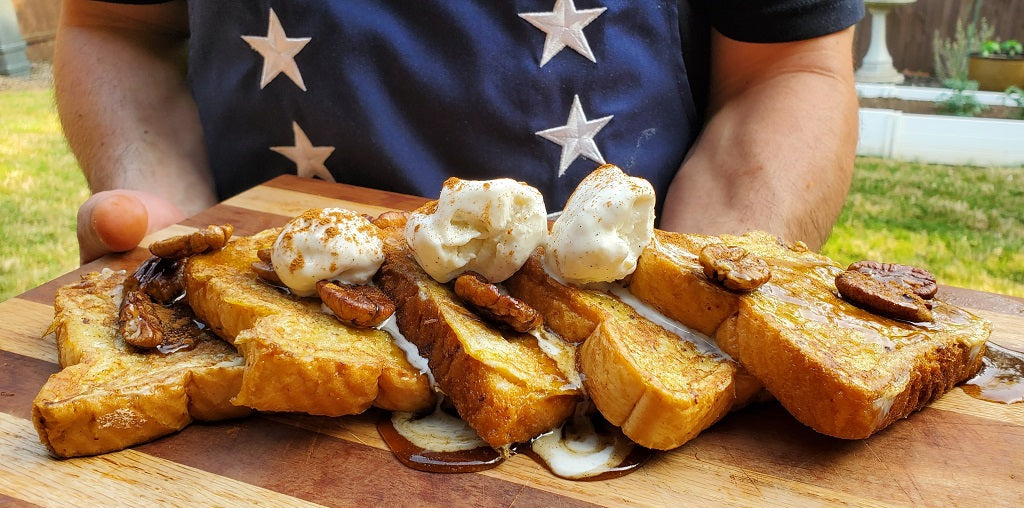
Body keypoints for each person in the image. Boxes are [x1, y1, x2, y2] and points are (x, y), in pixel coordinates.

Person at [56, 0, 864, 263]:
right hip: (260, 299)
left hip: (617, 305)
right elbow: (114, 25)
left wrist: (697, 308)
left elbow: (787, 70)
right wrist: (169, 216)